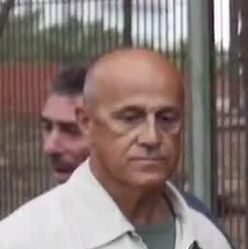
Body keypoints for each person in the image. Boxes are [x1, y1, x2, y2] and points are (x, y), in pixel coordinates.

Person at [0, 49, 241, 249]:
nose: (151, 137)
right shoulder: (21, 248)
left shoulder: (211, 247)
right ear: (86, 122)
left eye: (167, 119)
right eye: (130, 119)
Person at [38, 61, 216, 219]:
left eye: (72, 131)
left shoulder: (198, 227)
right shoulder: (34, 230)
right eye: (47, 127)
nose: (50, 147)